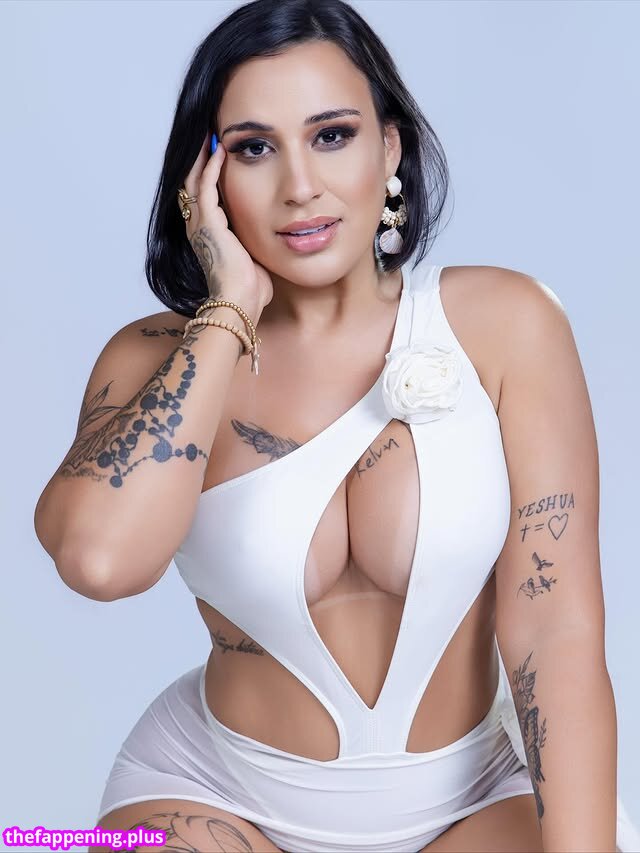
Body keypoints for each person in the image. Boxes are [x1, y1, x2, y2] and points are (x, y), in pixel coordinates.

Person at [34, 1, 639, 851]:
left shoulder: (506, 325)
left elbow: (556, 632)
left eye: (331, 135)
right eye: (253, 148)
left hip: (474, 800)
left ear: (389, 148)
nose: (300, 186)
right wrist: (226, 311)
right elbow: (99, 561)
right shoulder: (154, 358)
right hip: (214, 795)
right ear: (204, 179)